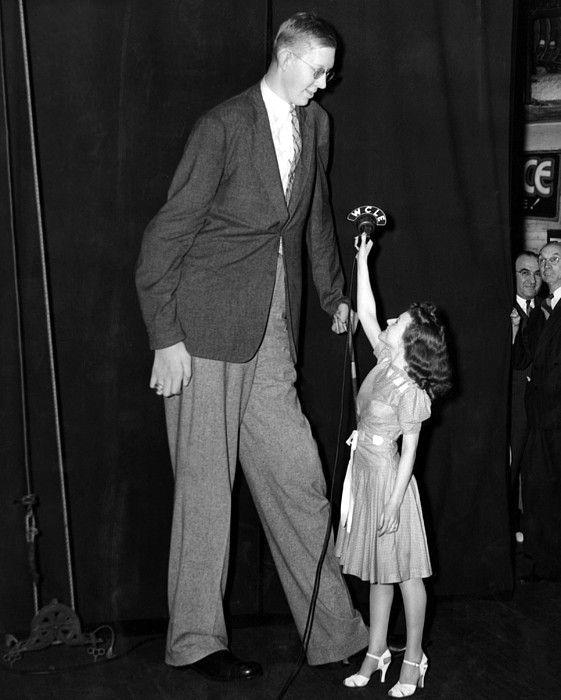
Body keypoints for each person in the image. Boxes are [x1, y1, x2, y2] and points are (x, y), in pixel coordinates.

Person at [135, 12, 368, 682]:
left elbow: (315, 217)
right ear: (283, 56)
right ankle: (195, 642)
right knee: (206, 491)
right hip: (202, 329)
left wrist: (332, 298)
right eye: (316, 70)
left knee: (298, 480)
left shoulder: (315, 125)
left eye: (329, 73)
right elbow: (164, 238)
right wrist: (165, 338)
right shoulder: (223, 126)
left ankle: (334, 631)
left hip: (270, 334)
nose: (324, 85)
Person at [335, 234, 452, 696]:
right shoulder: (387, 360)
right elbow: (365, 312)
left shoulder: (411, 391)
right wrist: (363, 260)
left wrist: (394, 500)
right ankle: (377, 650)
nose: (389, 318)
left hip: (390, 482)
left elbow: (411, 452)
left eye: (398, 320)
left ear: (409, 339)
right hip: (364, 472)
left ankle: (414, 657)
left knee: (406, 575)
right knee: (378, 571)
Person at [512, 240, 561, 582]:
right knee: (540, 490)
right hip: (542, 418)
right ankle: (545, 560)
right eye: (542, 261)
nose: (546, 267)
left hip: (554, 416)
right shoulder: (547, 308)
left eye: (554, 260)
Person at [509, 252, 542, 541]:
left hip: (540, 406)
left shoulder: (545, 311)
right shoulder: (506, 312)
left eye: (536, 273)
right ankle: (508, 523)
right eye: (524, 273)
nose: (532, 279)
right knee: (511, 464)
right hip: (515, 404)